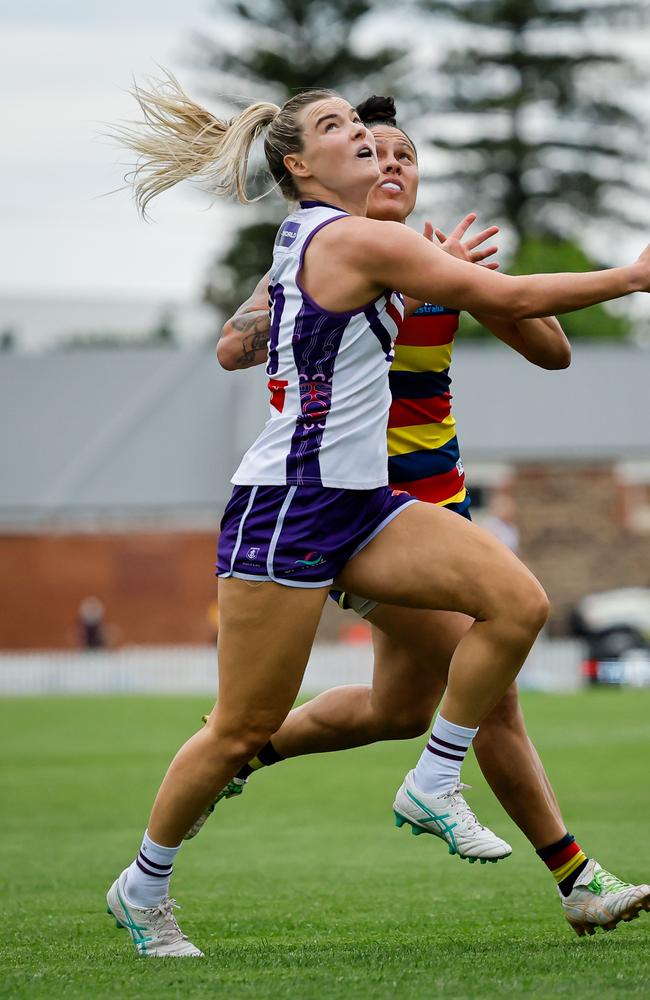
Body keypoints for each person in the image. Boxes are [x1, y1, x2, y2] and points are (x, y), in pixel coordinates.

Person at [107, 76, 650, 956]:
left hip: (368, 504)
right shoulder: (347, 240)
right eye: (340, 128)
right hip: (289, 506)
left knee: (517, 604)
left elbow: (524, 328)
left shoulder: (353, 242)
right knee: (240, 725)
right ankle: (143, 884)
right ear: (299, 165)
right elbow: (507, 305)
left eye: (372, 130)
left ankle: (435, 782)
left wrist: (464, 277)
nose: (365, 138)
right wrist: (630, 275)